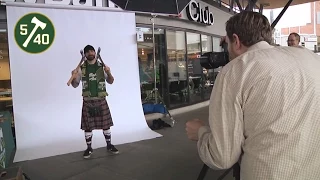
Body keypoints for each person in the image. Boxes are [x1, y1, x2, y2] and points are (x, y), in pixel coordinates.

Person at [185, 11, 320, 180]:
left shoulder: (235, 71)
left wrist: (200, 132)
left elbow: (222, 156)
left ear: (236, 40)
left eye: (227, 44)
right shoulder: (311, 58)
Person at [71, 45, 119, 159]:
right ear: (85, 55)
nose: (90, 53)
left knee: (106, 125)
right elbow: (75, 85)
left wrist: (109, 72)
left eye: (92, 51)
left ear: (95, 53)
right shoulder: (81, 69)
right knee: (88, 127)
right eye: (87, 52)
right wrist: (73, 75)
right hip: (88, 101)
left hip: (101, 99)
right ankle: (89, 148)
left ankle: (109, 145)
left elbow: (111, 81)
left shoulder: (102, 67)